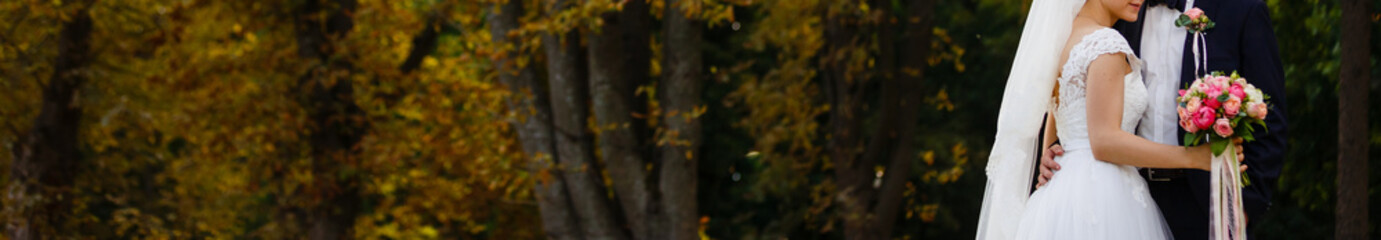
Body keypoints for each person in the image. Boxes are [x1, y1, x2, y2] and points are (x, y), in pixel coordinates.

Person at [974, 0, 1244, 238]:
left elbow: (1059, 105)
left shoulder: (1062, 37)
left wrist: (1051, 147)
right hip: (1103, 193)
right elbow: (1105, 142)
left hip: (1061, 191)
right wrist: (1195, 157)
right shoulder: (1106, 44)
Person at [1038, 0, 1289, 239]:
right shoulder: (1120, 13)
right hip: (1124, 194)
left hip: (1205, 202)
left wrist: (1246, 206)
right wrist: (1054, 147)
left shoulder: (1242, 10)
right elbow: (1074, 83)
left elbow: (1269, 115)